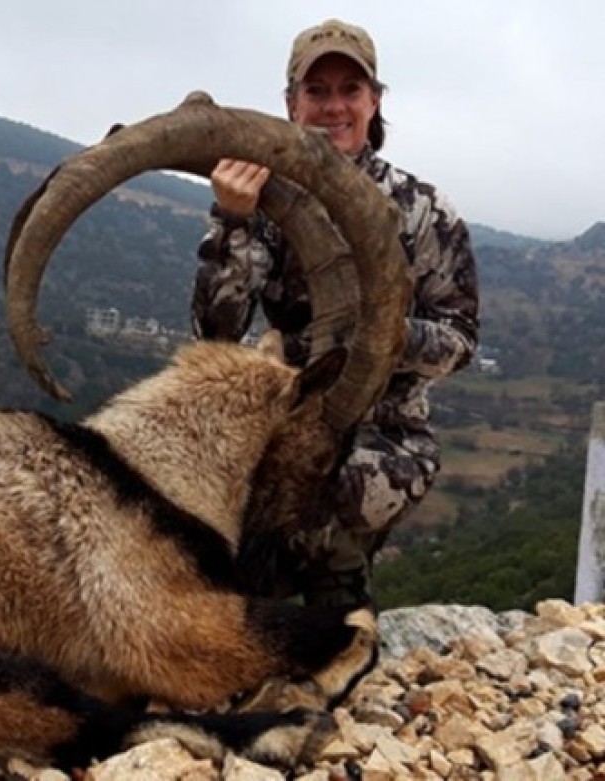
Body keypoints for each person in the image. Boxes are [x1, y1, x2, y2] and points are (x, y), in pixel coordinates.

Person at [190, 18, 480, 608]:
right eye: (316, 91)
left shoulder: (425, 211)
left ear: (375, 101)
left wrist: (385, 335)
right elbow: (215, 331)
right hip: (279, 420)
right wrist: (234, 221)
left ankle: (334, 601)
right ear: (291, 103)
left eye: (350, 90)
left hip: (382, 435)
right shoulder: (261, 199)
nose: (334, 106)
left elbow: (459, 339)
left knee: (312, 514)